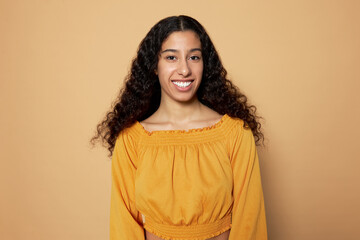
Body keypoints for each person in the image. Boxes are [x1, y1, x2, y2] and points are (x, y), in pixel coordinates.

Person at [92, 15, 267, 240]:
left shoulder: (234, 133)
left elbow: (249, 220)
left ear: (206, 64)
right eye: (171, 57)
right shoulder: (132, 140)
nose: (184, 70)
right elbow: (123, 226)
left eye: (194, 57)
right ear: (154, 65)